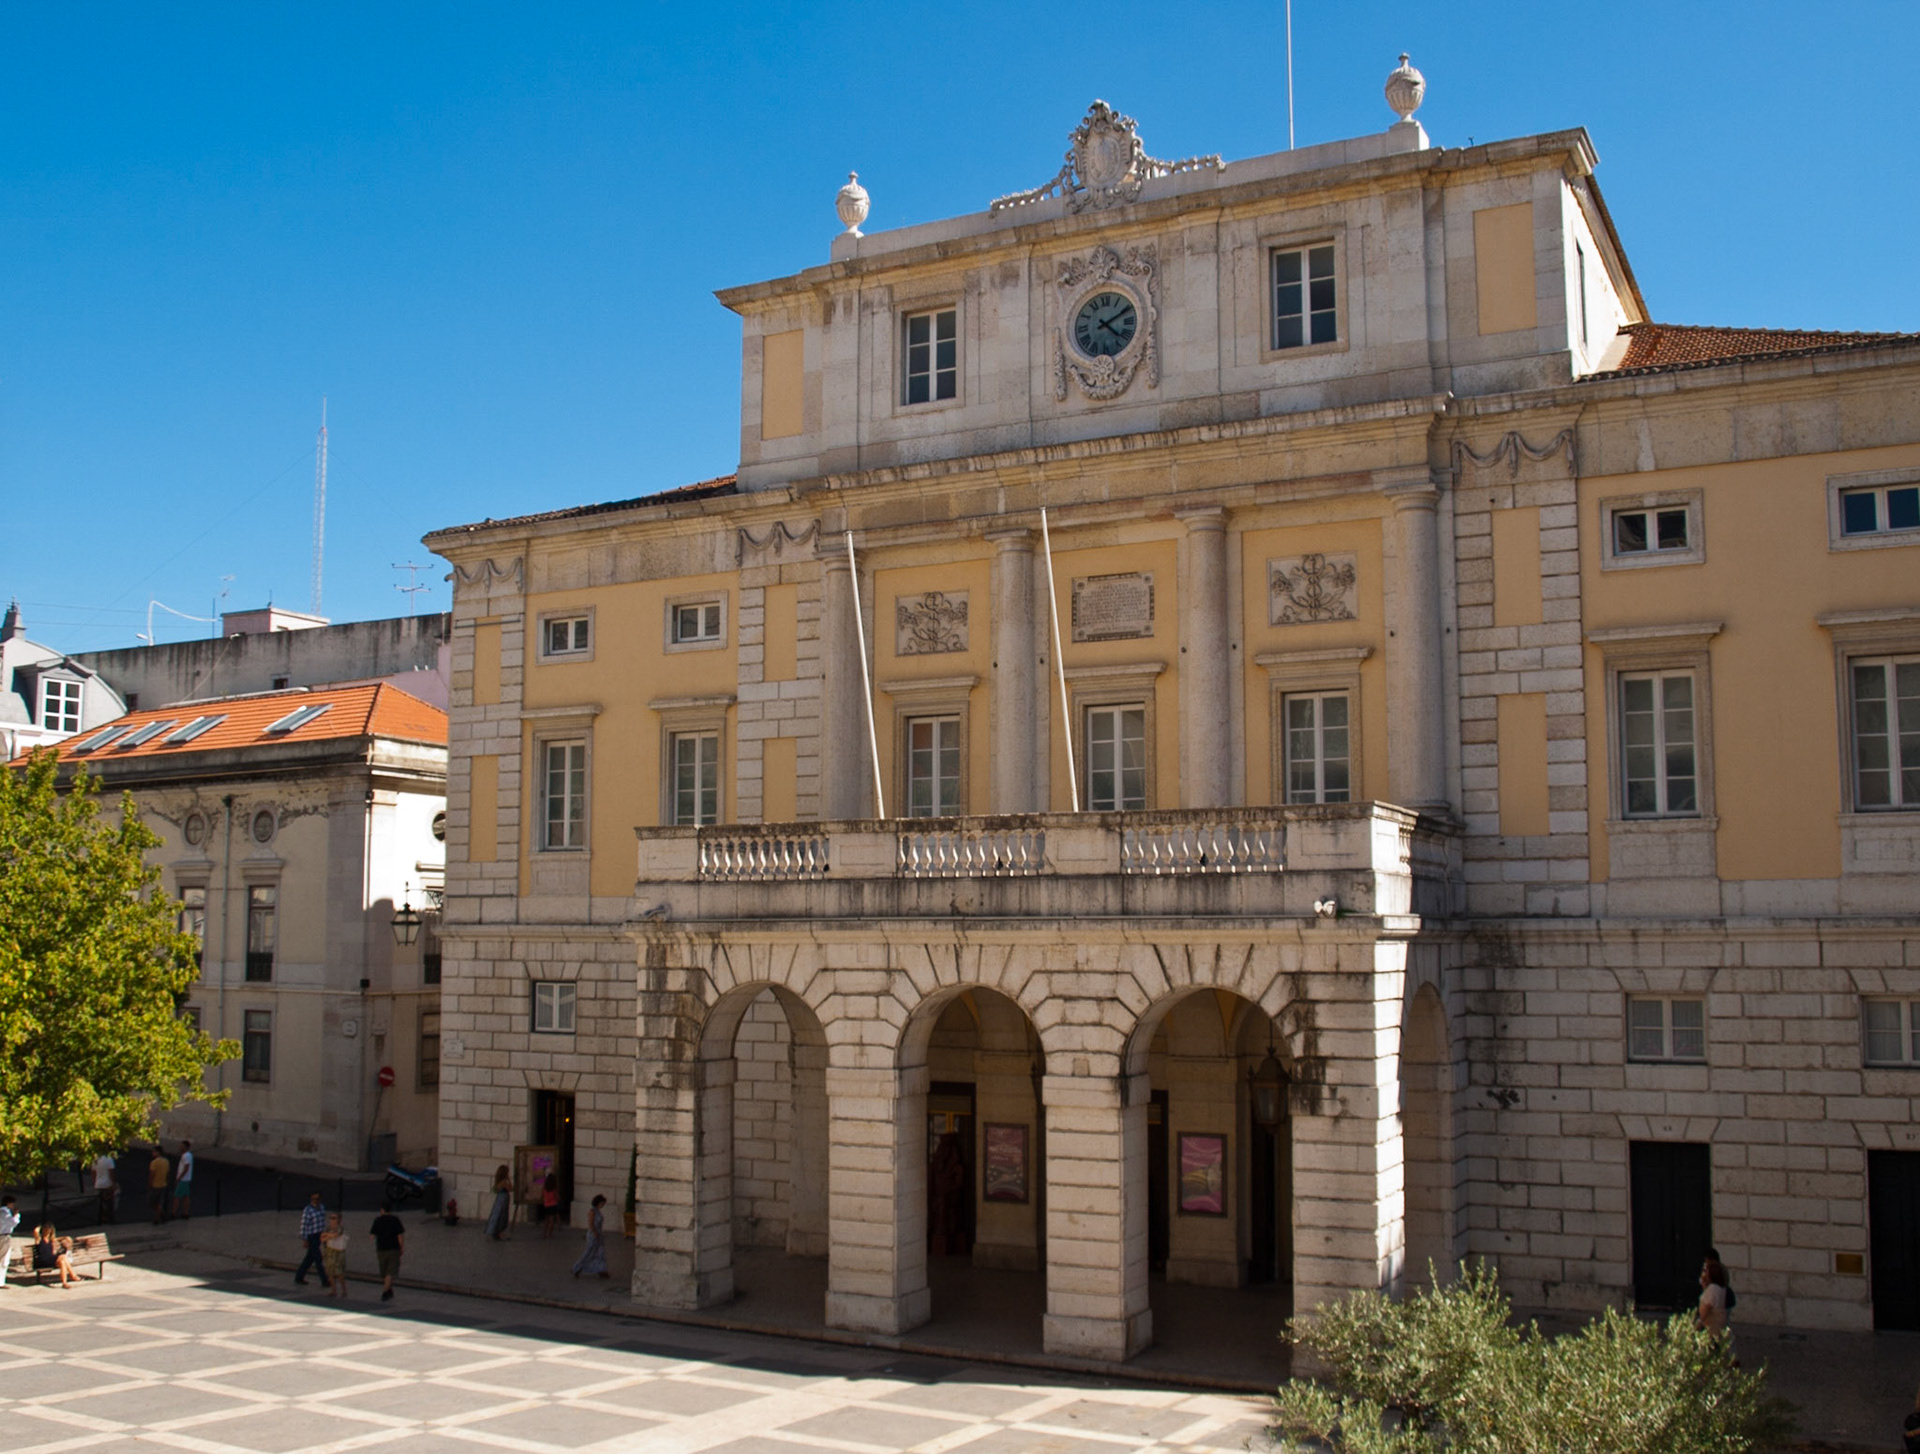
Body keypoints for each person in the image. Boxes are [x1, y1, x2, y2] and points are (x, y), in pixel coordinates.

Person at [295, 1191, 331, 1288]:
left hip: (318, 1235)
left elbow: (322, 1222)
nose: (316, 1201)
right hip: (311, 1236)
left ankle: (299, 1276)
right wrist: (305, 1239)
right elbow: (304, 1225)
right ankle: (324, 1280)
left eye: (317, 1199)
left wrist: (324, 1235)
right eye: (314, 1199)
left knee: (309, 1258)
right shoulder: (308, 1210)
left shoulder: (322, 1207)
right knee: (318, 1258)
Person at [369, 1202, 405, 1301]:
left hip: (381, 1249)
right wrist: (402, 1247)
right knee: (391, 1271)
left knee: (385, 1272)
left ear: (382, 1210)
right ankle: (386, 1291)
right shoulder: (395, 1220)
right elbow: (400, 1235)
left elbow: (372, 1235)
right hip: (393, 1248)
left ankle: (387, 1290)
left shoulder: (377, 1220)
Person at [572, 1194, 608, 1279]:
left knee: (600, 1253)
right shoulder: (593, 1211)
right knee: (589, 1253)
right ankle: (577, 1268)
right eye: (602, 1203)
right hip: (593, 1235)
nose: (603, 1205)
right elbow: (591, 1223)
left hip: (599, 1235)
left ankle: (601, 1270)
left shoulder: (598, 1211)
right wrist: (595, 1232)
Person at [1696, 1256, 1731, 1341]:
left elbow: (1708, 1306)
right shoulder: (1720, 1288)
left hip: (1711, 1327)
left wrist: (1699, 1321)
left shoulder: (1713, 1288)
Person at [32, 1224, 77, 1288]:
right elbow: (35, 1231)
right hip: (43, 1260)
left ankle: (64, 1283)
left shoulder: (51, 1240)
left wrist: (65, 1237)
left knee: (62, 1262)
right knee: (63, 1257)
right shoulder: (39, 1240)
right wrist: (41, 1225)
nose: (47, 1230)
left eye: (49, 1229)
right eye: (45, 1229)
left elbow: (58, 1239)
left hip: (50, 1259)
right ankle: (73, 1275)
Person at [321, 1213, 350, 1299]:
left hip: (339, 1252)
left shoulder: (341, 1228)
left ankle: (344, 1290)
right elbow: (322, 1238)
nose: (332, 1220)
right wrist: (329, 1236)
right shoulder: (328, 1228)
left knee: (339, 1272)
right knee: (330, 1272)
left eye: (334, 1218)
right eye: (331, 1218)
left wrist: (328, 1236)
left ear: (339, 1220)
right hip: (330, 1250)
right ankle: (333, 1290)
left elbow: (336, 1235)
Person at [483, 1164, 512, 1241]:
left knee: (498, 1214)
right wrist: (509, 1180)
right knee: (501, 1215)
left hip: (500, 1199)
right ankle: (498, 1232)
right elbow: (510, 1188)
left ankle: (495, 1232)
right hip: (503, 1199)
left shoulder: (498, 1181)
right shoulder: (503, 1182)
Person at [171, 1140, 194, 1221]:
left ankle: (173, 1213)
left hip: (183, 1179)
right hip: (187, 1179)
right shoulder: (189, 1155)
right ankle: (185, 1213)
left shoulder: (185, 1156)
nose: (180, 1147)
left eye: (182, 1146)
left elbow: (186, 1168)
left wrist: (179, 1177)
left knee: (177, 1196)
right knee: (186, 1196)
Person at [93, 1151, 118, 1224]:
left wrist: (95, 1182)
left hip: (98, 1184)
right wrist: (113, 1183)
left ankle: (102, 1218)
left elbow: (93, 1172)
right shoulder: (109, 1159)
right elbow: (111, 1172)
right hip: (108, 1184)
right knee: (110, 1202)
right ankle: (110, 1218)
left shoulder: (95, 1159)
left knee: (101, 1202)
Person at [147, 1146, 170, 1224]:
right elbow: (167, 1173)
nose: (152, 1153)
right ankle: (160, 1215)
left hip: (155, 1185)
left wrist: (149, 1184)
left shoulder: (154, 1163)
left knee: (153, 1202)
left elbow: (152, 1174)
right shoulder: (166, 1161)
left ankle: (157, 1218)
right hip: (163, 1184)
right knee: (160, 1202)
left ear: (158, 1152)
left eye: (154, 1151)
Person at [0, 1194, 19, 1289]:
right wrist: (16, 1215)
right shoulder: (5, 1213)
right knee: (4, 1259)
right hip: (4, 1236)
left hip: (3, 1236)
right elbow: (12, 1223)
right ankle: (1, 1281)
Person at [539, 1173, 560, 1240]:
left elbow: (542, 1196)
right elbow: (557, 1197)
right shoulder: (554, 1188)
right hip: (553, 1205)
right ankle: (549, 1234)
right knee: (551, 1221)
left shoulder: (544, 1188)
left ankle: (544, 1233)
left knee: (546, 1221)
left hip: (546, 1205)